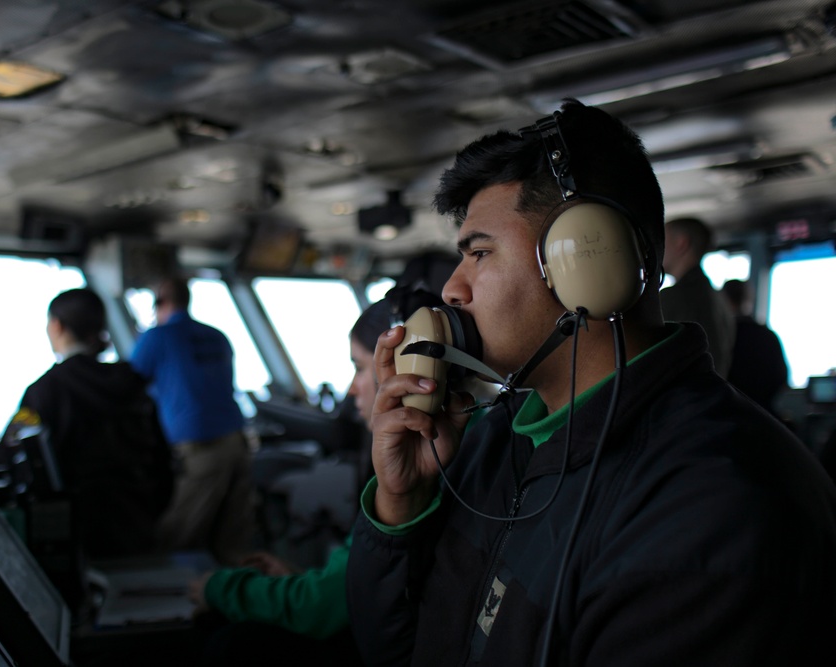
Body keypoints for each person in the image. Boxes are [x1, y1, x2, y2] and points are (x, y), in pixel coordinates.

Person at [346, 99, 836, 666]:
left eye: (479, 253)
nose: (452, 291)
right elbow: (394, 649)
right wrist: (401, 503)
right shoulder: (490, 437)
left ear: (583, 257)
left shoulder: (718, 509)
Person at [188, 290, 443, 667]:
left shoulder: (431, 466)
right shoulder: (455, 448)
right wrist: (304, 577)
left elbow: (319, 608)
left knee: (230, 642)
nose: (353, 388)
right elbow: (362, 582)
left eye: (358, 367)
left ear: (409, 369)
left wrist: (217, 588)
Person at [14, 287, 173, 560]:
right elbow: (163, 458)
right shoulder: (132, 382)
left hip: (80, 535)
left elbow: (14, 447)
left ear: (57, 327)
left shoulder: (46, 389)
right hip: (139, 522)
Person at [130, 274, 253, 565]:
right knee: (233, 542)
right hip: (238, 441)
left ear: (160, 304)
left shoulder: (157, 336)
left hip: (202, 447)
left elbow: (128, 384)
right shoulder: (216, 336)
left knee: (178, 537)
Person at [660, 216, 736, 375]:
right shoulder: (716, 296)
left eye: (661, 241)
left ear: (681, 243)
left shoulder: (674, 297)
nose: (656, 249)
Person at [720, 278, 789, 414]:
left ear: (722, 299)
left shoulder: (720, 336)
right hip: (762, 415)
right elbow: (781, 378)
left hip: (726, 415)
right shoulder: (768, 337)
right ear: (749, 299)